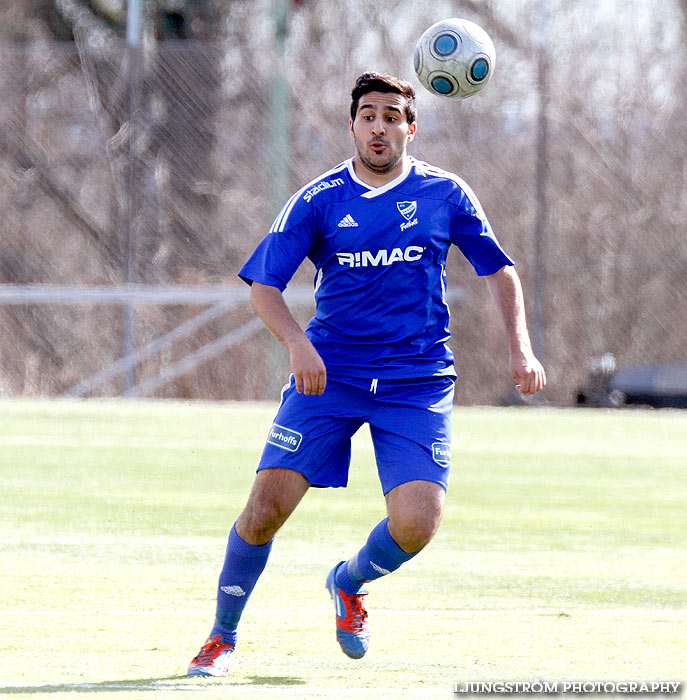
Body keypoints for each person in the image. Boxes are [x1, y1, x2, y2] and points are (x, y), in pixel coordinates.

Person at [187, 71, 546, 676]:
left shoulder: (445, 194)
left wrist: (521, 350)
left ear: (412, 126)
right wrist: (299, 346)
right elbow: (265, 289)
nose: (379, 127)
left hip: (417, 380)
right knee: (266, 508)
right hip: (331, 374)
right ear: (352, 125)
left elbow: (499, 272)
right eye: (368, 116)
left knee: (416, 526)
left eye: (392, 116)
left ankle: (348, 582)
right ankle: (221, 637)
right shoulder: (319, 199)